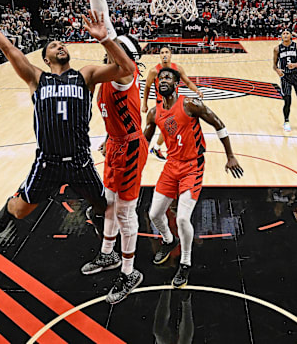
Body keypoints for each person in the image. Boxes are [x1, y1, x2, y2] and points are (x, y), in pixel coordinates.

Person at [0, 0, 136, 241]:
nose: (60, 46)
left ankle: (97, 214)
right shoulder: (37, 78)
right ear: (46, 59)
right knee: (19, 212)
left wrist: (105, 40)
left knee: (106, 209)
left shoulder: (86, 75)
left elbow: (127, 68)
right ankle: (9, 204)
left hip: (80, 161)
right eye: (53, 45)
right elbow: (6, 46)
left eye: (62, 44)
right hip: (47, 163)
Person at [143, 67, 244, 288]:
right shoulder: (154, 113)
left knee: (181, 218)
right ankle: (169, 241)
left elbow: (218, 124)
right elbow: (144, 143)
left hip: (192, 166)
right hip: (171, 165)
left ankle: (185, 263)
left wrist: (230, 156)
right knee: (154, 214)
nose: (163, 80)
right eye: (160, 78)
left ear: (177, 83)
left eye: (168, 77)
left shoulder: (190, 104)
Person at [81, 34, 147, 304]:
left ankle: (129, 273)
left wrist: (106, 36)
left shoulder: (125, 75)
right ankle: (108, 253)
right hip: (115, 145)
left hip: (130, 148)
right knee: (108, 203)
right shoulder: (106, 76)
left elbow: (123, 63)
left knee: (125, 212)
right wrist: (108, 139)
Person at [142, 46, 202, 161]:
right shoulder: (154, 71)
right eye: (162, 52)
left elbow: (188, 82)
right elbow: (147, 87)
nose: (164, 54)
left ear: (170, 55)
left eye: (166, 52)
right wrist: (144, 104)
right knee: (168, 127)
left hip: (175, 103)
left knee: (172, 127)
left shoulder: (177, 69)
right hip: (161, 104)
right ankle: (150, 149)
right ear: (159, 55)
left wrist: (196, 90)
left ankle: (157, 148)